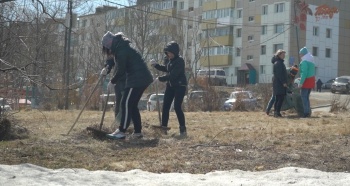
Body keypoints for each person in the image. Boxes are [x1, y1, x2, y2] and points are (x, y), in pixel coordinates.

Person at [101, 31, 153, 139]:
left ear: (109, 44)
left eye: (107, 48)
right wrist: (107, 67)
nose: (108, 51)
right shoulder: (121, 47)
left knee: (125, 103)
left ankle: (121, 130)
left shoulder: (121, 50)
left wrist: (112, 81)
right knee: (132, 105)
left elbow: (121, 69)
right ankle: (138, 132)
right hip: (141, 78)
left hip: (137, 78)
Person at [151, 41, 188, 136]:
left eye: (170, 53)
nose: (169, 55)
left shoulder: (180, 61)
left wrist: (160, 79)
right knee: (165, 106)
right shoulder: (169, 61)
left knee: (177, 107)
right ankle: (164, 128)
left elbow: (173, 75)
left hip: (180, 86)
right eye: (167, 53)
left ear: (175, 52)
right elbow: (166, 69)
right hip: (170, 86)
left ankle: (183, 129)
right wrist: (156, 65)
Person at [298, 47, 315, 118]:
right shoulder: (311, 61)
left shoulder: (304, 62)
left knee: (303, 97)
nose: (299, 55)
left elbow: (304, 73)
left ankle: (306, 113)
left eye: (300, 54)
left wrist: (301, 82)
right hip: (311, 80)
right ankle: (308, 112)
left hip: (306, 81)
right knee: (307, 97)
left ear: (303, 54)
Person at [272, 49, 288, 118]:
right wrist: (283, 82)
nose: (284, 56)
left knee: (279, 98)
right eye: (283, 54)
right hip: (279, 84)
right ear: (279, 55)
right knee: (279, 98)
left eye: (284, 54)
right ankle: (276, 112)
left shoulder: (280, 62)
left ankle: (277, 112)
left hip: (279, 83)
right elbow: (279, 74)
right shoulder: (278, 63)